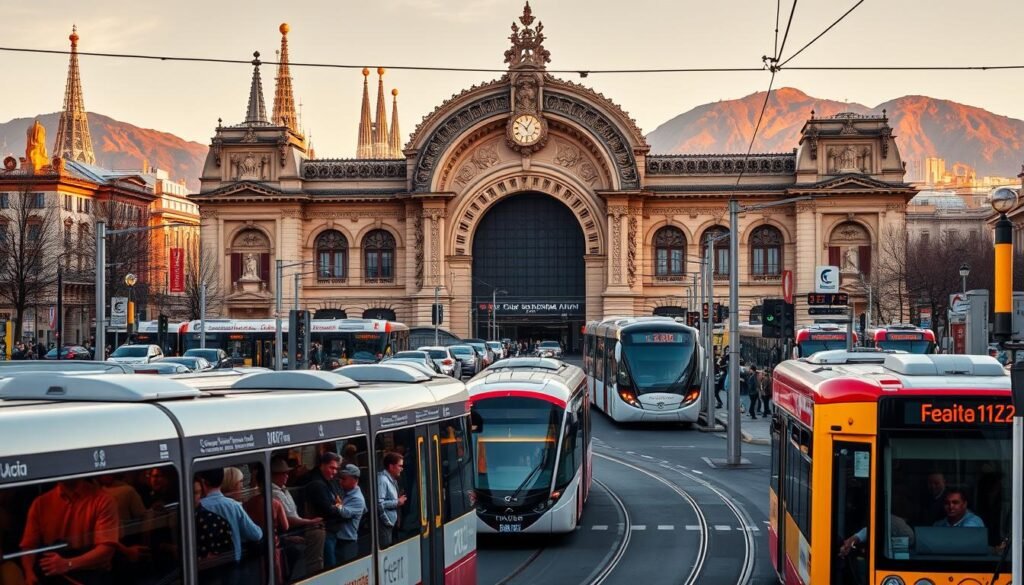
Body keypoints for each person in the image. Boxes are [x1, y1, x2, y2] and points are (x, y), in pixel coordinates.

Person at [19, 479, 120, 585]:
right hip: (53, 573)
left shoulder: (103, 500)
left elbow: (106, 549)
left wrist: (68, 564)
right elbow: (28, 546)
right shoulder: (40, 503)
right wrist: (29, 573)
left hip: (92, 574)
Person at [269, 457, 324, 579]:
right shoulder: (273, 493)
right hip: (286, 533)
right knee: (316, 535)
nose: (287, 476)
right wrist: (310, 522)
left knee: (319, 532)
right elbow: (287, 520)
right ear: (275, 475)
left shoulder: (283, 489)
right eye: (284, 474)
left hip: (296, 528)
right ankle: (313, 575)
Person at [196, 468, 263, 564]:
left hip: (205, 566)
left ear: (203, 482)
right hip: (231, 563)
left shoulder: (197, 507)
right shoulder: (234, 506)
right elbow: (255, 534)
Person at [303, 452, 346, 569]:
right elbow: (328, 510)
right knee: (329, 567)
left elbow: (339, 499)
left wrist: (337, 505)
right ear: (322, 465)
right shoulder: (317, 483)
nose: (334, 472)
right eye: (331, 468)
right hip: (324, 532)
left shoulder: (328, 480)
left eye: (336, 469)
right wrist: (338, 506)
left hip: (331, 531)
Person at [334, 464, 366, 565]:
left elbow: (345, 513)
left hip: (347, 542)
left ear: (354, 480)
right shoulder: (346, 492)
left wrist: (337, 504)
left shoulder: (357, 499)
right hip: (340, 540)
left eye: (344, 479)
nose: (341, 481)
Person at [377, 453, 407, 548]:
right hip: (386, 524)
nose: (401, 469)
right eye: (400, 466)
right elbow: (379, 504)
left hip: (392, 522)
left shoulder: (392, 479)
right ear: (391, 466)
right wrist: (397, 502)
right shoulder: (382, 480)